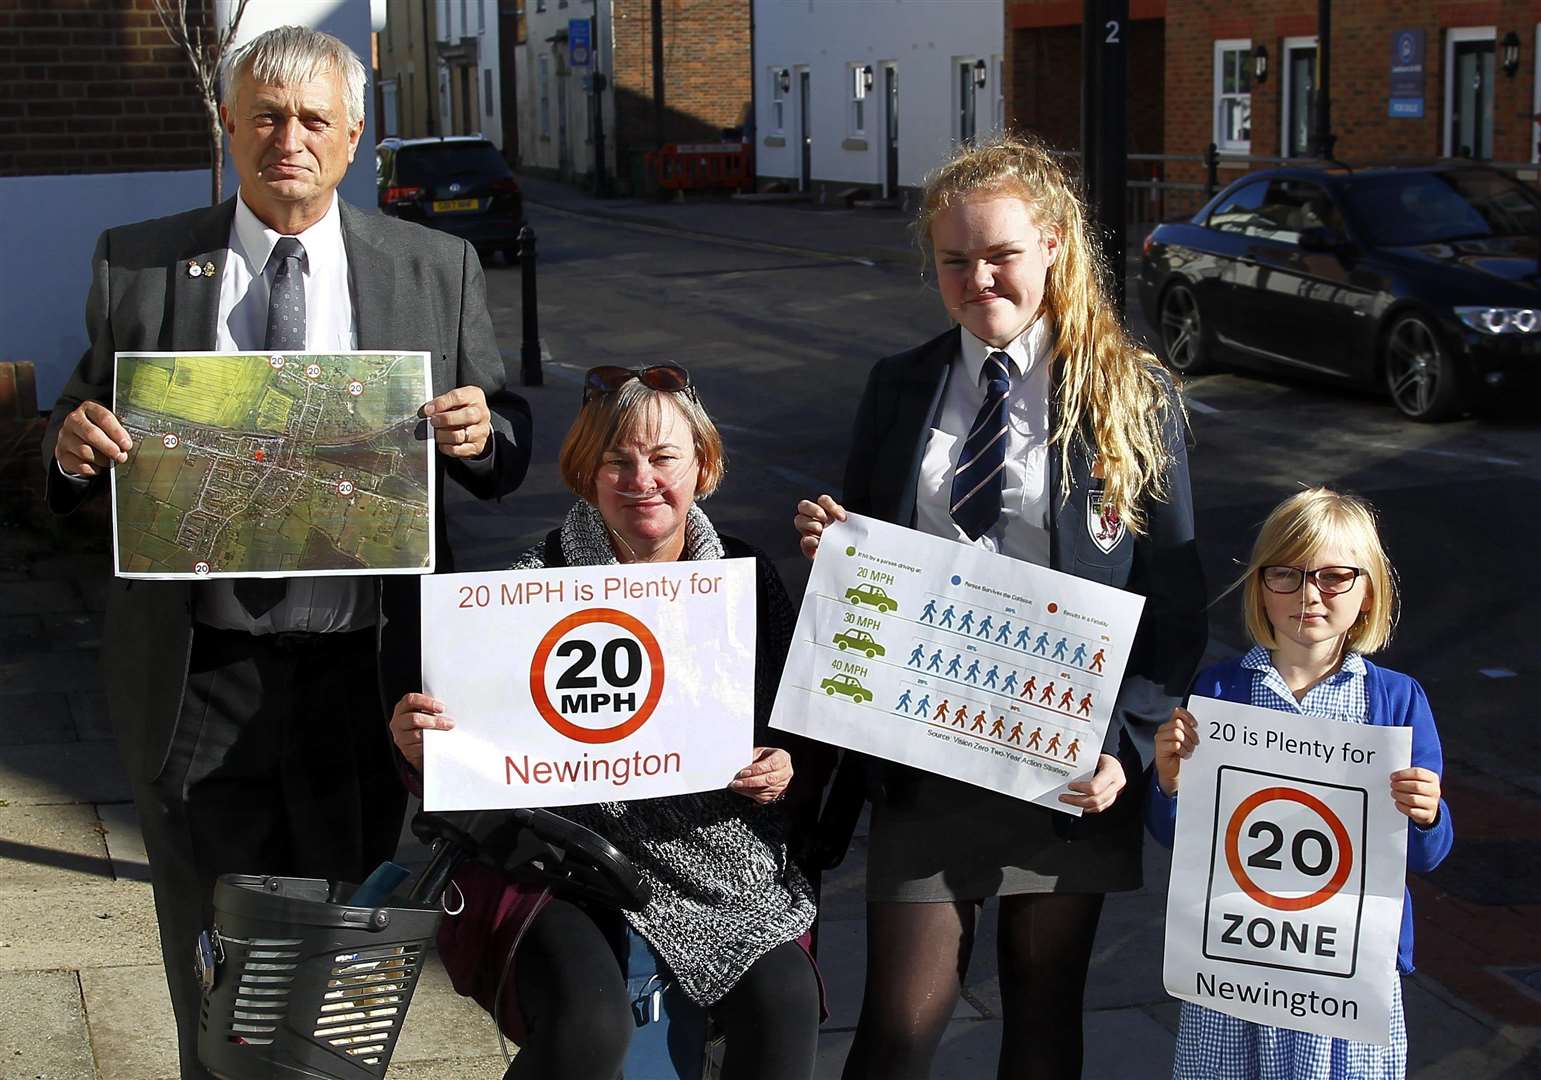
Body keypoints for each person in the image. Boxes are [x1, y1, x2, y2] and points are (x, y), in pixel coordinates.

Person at [40, 27, 531, 1079]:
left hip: (362, 678)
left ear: (355, 136)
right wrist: (71, 448)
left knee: (347, 960)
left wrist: (485, 436)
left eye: (314, 118)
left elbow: (500, 442)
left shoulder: (432, 266)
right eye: (265, 115)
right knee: (213, 967)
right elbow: (83, 418)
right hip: (198, 677)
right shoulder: (140, 260)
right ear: (228, 126)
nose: (288, 139)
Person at [794, 133, 1207, 1080]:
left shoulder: (1129, 396)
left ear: (1053, 245)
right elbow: (863, 572)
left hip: (1067, 762)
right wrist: (836, 547)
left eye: (1000, 255)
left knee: (1043, 1027)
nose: (979, 278)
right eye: (954, 260)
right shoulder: (899, 386)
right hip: (924, 749)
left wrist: (1129, 745)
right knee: (894, 1034)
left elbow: (1173, 601)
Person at [390, 364, 827, 1080]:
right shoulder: (523, 588)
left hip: (719, 853)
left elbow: (795, 725)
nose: (641, 480)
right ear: (585, 475)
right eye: (616, 462)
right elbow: (454, 767)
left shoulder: (745, 578)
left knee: (784, 1001)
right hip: (561, 861)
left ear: (704, 468)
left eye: (663, 458)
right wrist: (418, 746)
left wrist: (781, 765)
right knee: (588, 1024)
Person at [1149, 487, 1452, 1079]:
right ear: (1261, 586)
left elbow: (1426, 855)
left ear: (1367, 593)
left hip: (1345, 966)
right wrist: (1169, 784)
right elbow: (1181, 839)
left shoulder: (1396, 701)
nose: (1310, 594)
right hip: (1235, 958)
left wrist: (1427, 813)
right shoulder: (1219, 691)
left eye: (1336, 577)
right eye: (1286, 574)